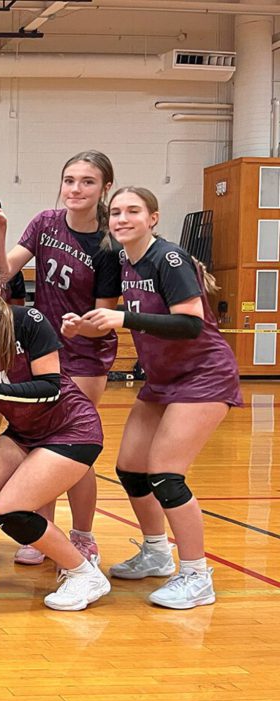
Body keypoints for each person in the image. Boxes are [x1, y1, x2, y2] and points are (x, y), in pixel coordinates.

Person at [66, 187, 241, 609]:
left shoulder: (170, 258)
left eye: (133, 211)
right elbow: (110, 319)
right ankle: (157, 551)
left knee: (166, 474)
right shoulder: (121, 260)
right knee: (131, 469)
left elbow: (190, 324)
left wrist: (122, 317)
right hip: (162, 379)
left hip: (203, 375)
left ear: (153, 218)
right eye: (117, 213)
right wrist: (82, 326)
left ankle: (198, 576)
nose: (122, 218)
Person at [0, 253, 110, 611]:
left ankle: (83, 574)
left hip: (70, 428)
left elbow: (50, 387)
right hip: (25, 432)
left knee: (11, 510)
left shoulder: (27, 321)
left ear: (0, 287)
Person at [0, 150, 121, 566]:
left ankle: (83, 536)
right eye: (69, 180)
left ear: (105, 188)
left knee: (72, 446)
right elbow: (2, 273)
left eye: (87, 181)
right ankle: (41, 529)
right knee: (38, 441)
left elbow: (104, 317)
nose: (76, 189)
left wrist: (80, 326)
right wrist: (1, 233)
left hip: (85, 353)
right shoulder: (45, 222)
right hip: (42, 351)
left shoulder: (107, 245)